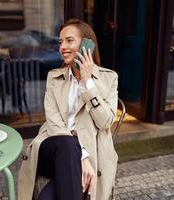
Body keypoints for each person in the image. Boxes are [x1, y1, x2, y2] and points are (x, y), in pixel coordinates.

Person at [18, 19, 118, 200]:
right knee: (67, 144)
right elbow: (54, 121)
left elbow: (105, 122)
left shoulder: (109, 79)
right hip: (52, 146)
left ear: (87, 44)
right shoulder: (54, 78)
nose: (62, 47)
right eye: (60, 42)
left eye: (69, 40)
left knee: (46, 198)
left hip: (90, 151)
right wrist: (83, 156)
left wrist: (88, 84)